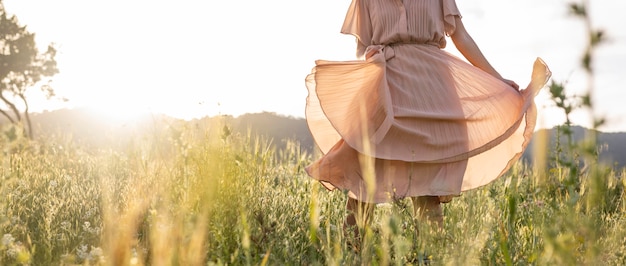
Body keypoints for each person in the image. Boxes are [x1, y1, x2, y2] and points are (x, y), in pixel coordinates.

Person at [304, 0, 551, 240]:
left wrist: (496, 79)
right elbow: (363, 48)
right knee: (364, 179)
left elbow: (461, 36)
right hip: (388, 89)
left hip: (432, 92)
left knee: (427, 188)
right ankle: (351, 255)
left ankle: (429, 257)